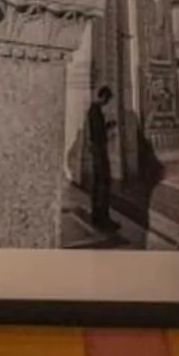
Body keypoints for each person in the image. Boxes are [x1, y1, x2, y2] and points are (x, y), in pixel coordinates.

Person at [79, 83, 117, 240]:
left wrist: (106, 126)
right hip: (99, 152)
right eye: (107, 99)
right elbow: (98, 134)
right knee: (103, 184)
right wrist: (108, 129)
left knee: (99, 184)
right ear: (103, 96)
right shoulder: (95, 111)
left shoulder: (94, 111)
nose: (107, 103)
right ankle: (103, 219)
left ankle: (98, 216)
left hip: (97, 151)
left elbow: (96, 131)